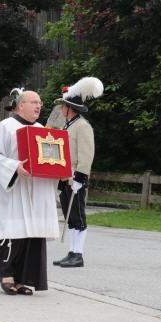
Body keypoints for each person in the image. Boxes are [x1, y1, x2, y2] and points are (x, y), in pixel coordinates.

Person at [0, 91, 60, 295]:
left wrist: (59, 171)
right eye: (34, 102)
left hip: (36, 190)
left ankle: (23, 279)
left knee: (31, 235)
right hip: (14, 190)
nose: (38, 106)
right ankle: (6, 275)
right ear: (20, 105)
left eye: (40, 103)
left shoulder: (42, 130)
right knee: (13, 233)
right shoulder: (5, 127)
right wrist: (14, 167)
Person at [52, 77, 103, 268]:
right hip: (66, 176)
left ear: (69, 107)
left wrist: (80, 176)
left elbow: (86, 153)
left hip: (76, 177)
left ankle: (78, 253)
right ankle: (72, 251)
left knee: (78, 215)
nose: (61, 109)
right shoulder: (69, 124)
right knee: (69, 215)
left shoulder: (82, 126)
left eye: (63, 106)